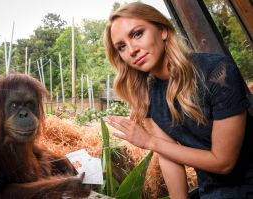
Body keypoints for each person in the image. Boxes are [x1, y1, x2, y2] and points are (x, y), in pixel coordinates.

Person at [104, 2, 253, 199]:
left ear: (163, 30)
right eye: (121, 47)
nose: (131, 50)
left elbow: (224, 162)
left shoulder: (218, 72)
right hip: (211, 191)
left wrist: (149, 141)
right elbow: (169, 158)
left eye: (137, 34)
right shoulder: (147, 97)